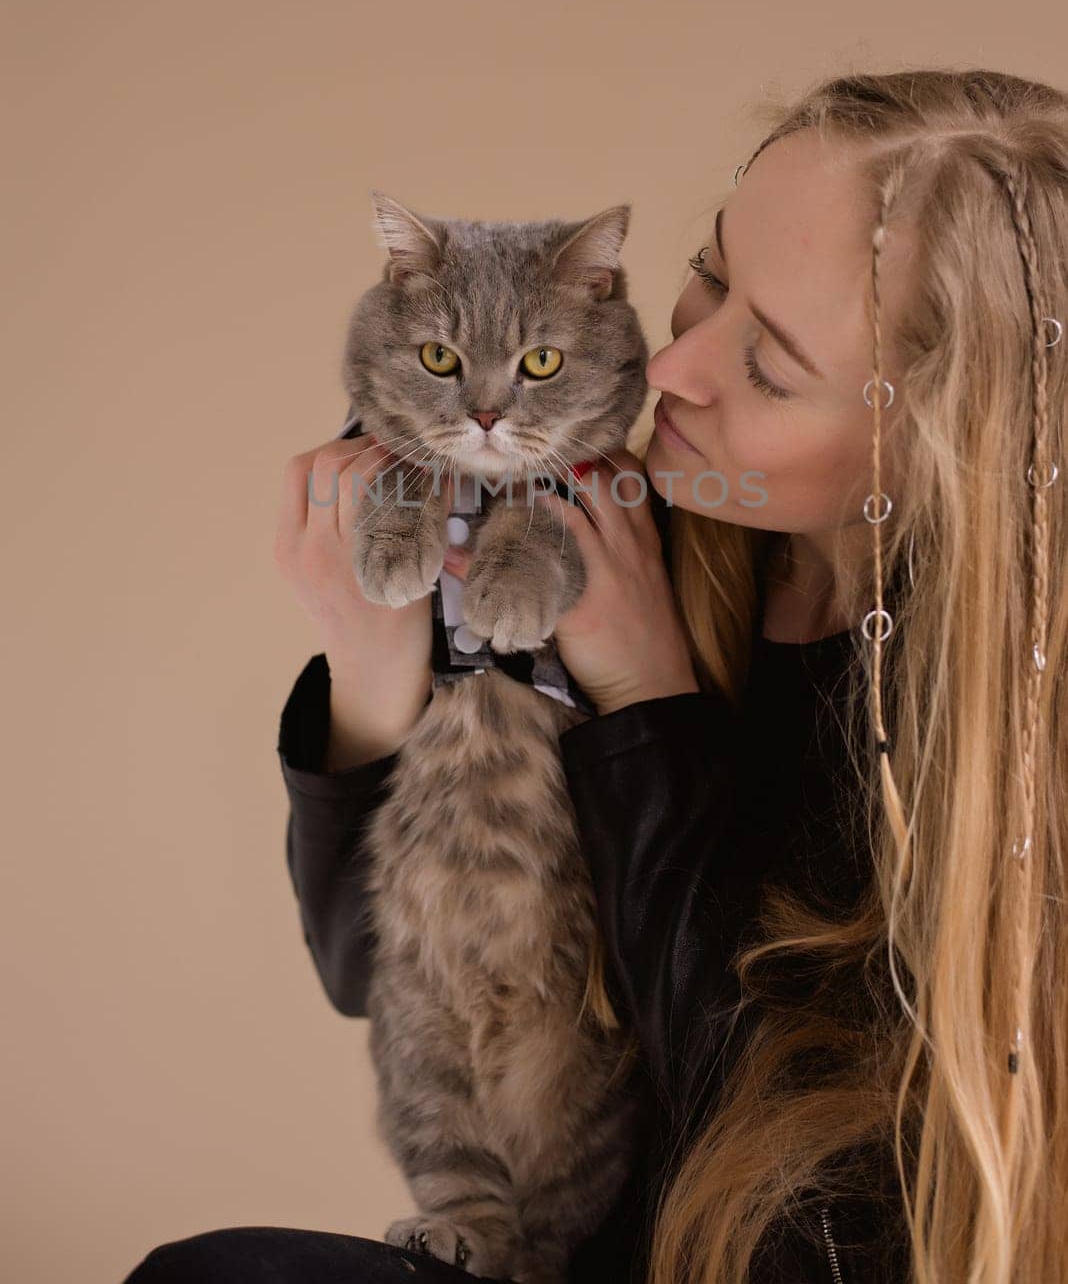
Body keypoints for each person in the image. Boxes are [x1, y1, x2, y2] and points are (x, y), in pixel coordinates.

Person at [123, 69, 1067, 1284]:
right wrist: (371, 673)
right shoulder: (609, 533)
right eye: (709, 276)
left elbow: (795, 1189)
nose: (671, 369)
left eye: (772, 366)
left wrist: (650, 708)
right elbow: (374, 978)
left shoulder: (1001, 736)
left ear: (947, 439)